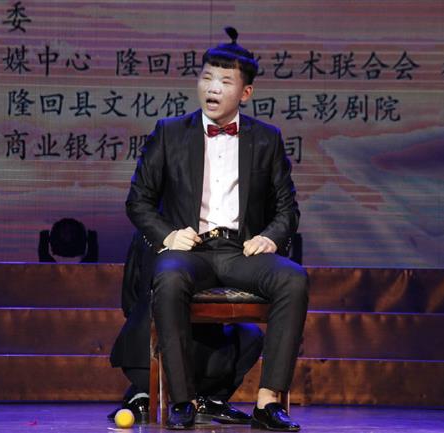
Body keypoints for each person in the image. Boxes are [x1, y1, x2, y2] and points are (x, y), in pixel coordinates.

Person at [125, 27, 309, 431]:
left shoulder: (267, 139)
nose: (212, 88)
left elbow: (288, 208)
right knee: (169, 278)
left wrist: (271, 237)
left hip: (242, 253)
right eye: (207, 77)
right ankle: (183, 400)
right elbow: (137, 201)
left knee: (293, 279)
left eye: (225, 81)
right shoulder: (170, 132)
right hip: (190, 251)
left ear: (245, 93)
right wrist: (168, 236)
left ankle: (267, 402)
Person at [108, 231, 265, 425]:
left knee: (250, 333)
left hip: (194, 355)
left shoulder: (150, 230)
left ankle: (204, 399)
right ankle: (153, 394)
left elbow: (130, 297)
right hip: (163, 356)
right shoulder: (156, 233)